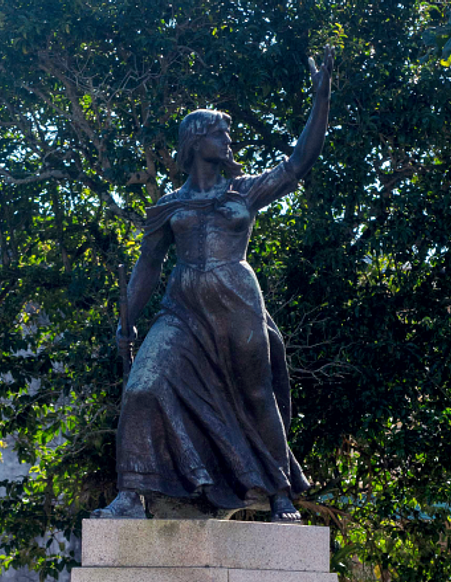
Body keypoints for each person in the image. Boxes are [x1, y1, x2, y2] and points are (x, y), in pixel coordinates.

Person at [93, 47, 333, 522]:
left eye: (227, 133)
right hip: (181, 306)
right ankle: (132, 493)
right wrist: (126, 322)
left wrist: (321, 96)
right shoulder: (169, 206)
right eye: (219, 133)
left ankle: (279, 493)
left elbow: (300, 161)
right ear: (195, 141)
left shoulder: (244, 191)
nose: (228, 140)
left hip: (236, 298)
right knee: (142, 386)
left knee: (256, 394)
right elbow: (147, 268)